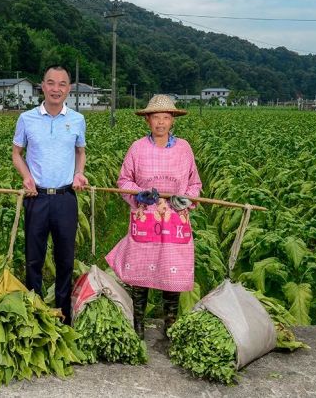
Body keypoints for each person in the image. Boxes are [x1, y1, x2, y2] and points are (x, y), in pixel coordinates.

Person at [105, 94, 202, 339]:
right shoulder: (137, 148)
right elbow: (124, 180)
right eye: (156, 117)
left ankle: (170, 324)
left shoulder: (184, 148)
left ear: (173, 121)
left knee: (173, 270)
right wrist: (139, 195)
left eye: (166, 118)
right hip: (145, 216)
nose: (160, 122)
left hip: (174, 220)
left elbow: (194, 182)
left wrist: (186, 199)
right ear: (147, 120)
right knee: (141, 271)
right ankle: (138, 323)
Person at [12, 65, 88, 323]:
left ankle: (64, 313)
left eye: (62, 84)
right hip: (38, 197)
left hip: (66, 197)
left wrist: (79, 173)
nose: (56, 89)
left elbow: (80, 151)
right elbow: (16, 153)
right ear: (42, 86)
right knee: (34, 256)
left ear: (68, 88)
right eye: (51, 83)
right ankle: (35, 312)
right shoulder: (27, 118)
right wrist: (26, 176)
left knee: (65, 257)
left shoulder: (77, 119)